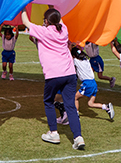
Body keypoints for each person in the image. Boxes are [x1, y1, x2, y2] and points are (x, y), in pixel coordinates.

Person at [21, 8, 85, 150]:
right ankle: (78, 137)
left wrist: (23, 5)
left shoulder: (44, 31)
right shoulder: (64, 30)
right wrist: (52, 4)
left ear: (46, 21)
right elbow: (59, 20)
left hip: (53, 74)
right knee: (70, 106)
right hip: (69, 73)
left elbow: (25, 22)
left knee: (48, 101)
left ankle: (54, 133)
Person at [72, 47, 114, 120]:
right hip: (93, 83)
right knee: (90, 104)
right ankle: (106, 107)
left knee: (75, 98)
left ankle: (76, 115)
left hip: (87, 84)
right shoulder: (86, 60)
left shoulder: (75, 60)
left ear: (74, 56)